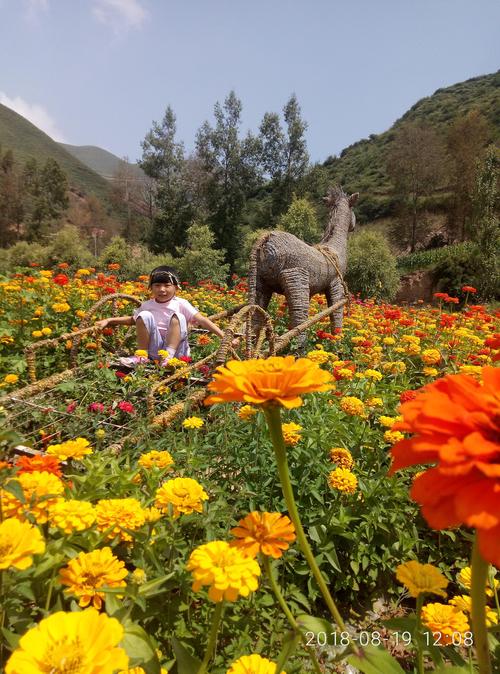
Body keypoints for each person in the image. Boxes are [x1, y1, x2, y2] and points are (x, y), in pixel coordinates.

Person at [95, 265, 226, 367]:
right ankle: (142, 356)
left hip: (177, 352)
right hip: (155, 351)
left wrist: (224, 337)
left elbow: (202, 320)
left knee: (178, 316)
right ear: (150, 288)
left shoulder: (181, 303)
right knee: (144, 315)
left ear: (176, 288)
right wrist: (109, 320)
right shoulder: (147, 305)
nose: (162, 289)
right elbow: (132, 320)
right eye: (157, 285)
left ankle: (168, 357)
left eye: (167, 285)